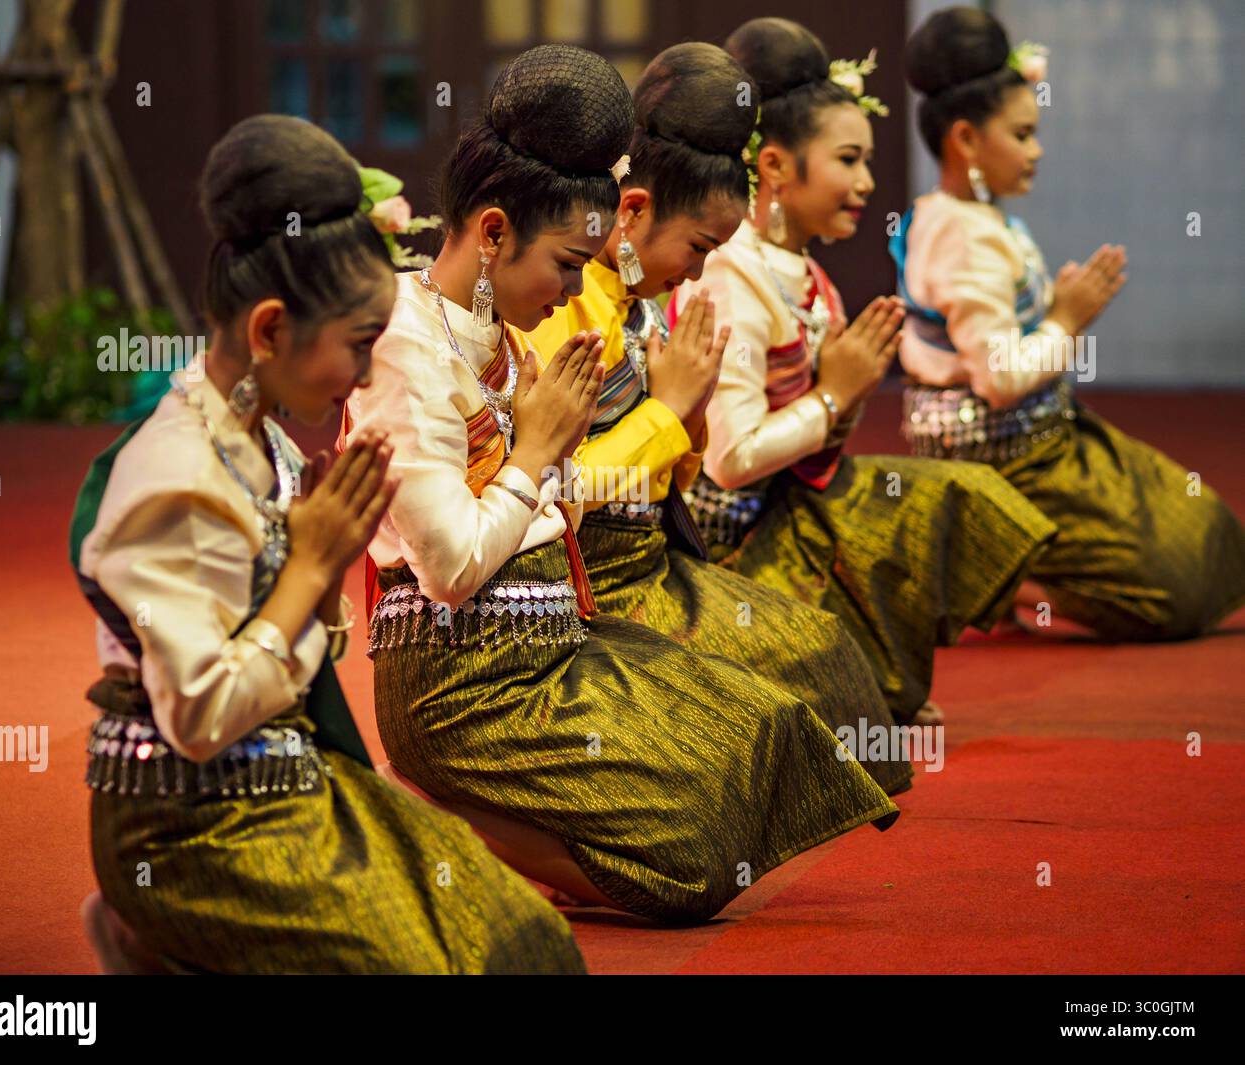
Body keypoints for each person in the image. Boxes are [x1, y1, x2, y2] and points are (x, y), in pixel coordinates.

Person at [345, 45, 898, 926]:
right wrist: (546, 452)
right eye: (565, 265)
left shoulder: (504, 331)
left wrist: (561, 455)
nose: (570, 288)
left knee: (762, 732)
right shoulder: (405, 347)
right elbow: (450, 568)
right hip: (462, 683)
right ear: (493, 233)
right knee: (690, 872)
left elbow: (554, 497)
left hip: (553, 633)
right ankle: (446, 810)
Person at [71, 115, 585, 974]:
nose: (364, 373)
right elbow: (198, 722)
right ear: (271, 330)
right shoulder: (170, 475)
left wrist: (313, 582)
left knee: (517, 937)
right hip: (194, 822)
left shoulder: (260, 442)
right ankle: (151, 918)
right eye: (355, 345)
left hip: (285, 776)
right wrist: (310, 571)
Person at [520, 42, 910, 795]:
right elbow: (552, 490)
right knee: (779, 704)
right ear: (631, 210)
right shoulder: (560, 309)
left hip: (654, 564)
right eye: (698, 248)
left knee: (824, 652)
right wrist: (671, 410)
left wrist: (686, 416)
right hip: (598, 589)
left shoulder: (638, 301)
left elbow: (680, 472)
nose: (700, 272)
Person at [677, 18, 1057, 724]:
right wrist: (832, 397)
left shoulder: (803, 271)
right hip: (726, 542)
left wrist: (837, 402)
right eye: (849, 160)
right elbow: (730, 460)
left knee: (953, 496)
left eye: (867, 160)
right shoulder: (732, 276)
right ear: (776, 168)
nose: (867, 182)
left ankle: (872, 678)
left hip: (789, 506)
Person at [893, 5, 1245, 640]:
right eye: (1023, 134)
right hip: (1002, 461)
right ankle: (986, 571)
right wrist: (1065, 320)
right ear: (966, 140)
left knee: (1205, 535)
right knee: (1175, 591)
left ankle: (995, 570)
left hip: (1040, 435)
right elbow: (999, 380)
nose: (1037, 150)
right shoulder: (960, 235)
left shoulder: (968, 216)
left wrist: (1056, 314)